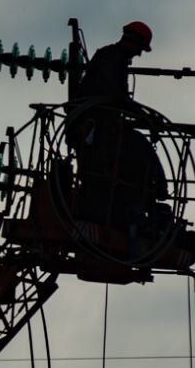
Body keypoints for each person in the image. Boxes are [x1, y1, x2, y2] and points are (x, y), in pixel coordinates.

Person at [68, 21, 167, 234]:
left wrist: (140, 115)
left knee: (135, 148)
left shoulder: (115, 60)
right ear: (132, 42)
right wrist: (140, 113)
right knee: (129, 150)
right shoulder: (108, 57)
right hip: (91, 128)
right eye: (140, 49)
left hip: (103, 127)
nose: (139, 55)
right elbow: (111, 94)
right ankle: (153, 188)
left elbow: (117, 100)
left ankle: (148, 192)